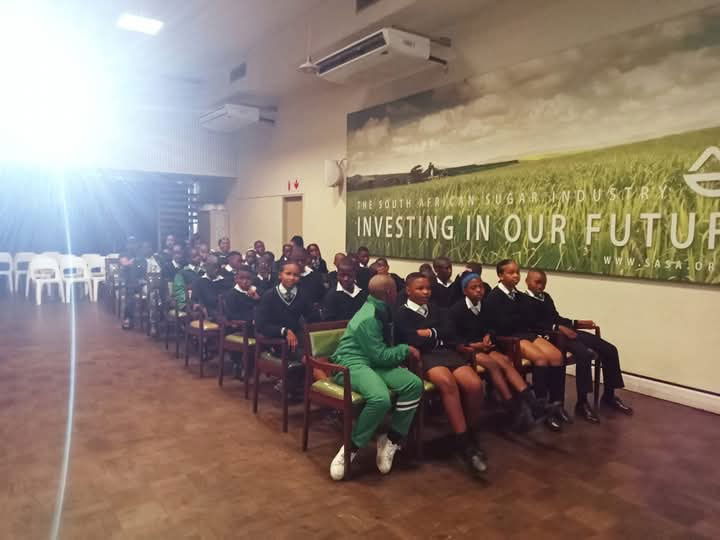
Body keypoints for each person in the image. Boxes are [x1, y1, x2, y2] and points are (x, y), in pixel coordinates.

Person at [328, 274, 424, 481]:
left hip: (372, 361)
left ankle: (390, 440)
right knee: (380, 398)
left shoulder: (383, 308)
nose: (398, 292)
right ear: (389, 293)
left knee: (414, 384)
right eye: (396, 289)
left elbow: (379, 354)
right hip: (352, 362)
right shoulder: (369, 317)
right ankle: (351, 448)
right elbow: (380, 355)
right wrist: (405, 350)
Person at [394, 272, 488, 476]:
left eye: (428, 288)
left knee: (474, 384)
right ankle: (464, 443)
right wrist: (435, 335)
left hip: (446, 352)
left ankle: (471, 432)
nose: (426, 292)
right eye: (420, 288)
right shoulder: (401, 313)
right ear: (408, 290)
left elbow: (449, 331)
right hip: (422, 358)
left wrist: (429, 333)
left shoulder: (436, 308)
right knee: (447, 383)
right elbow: (411, 339)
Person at [524, 269, 633, 421]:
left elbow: (556, 317)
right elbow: (532, 324)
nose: (540, 286)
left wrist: (576, 322)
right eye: (537, 282)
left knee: (609, 349)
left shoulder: (546, 297)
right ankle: (582, 402)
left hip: (564, 331)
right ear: (527, 282)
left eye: (543, 283)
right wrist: (557, 327)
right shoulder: (523, 300)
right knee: (583, 354)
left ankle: (609, 396)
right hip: (552, 337)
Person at [449, 273, 551, 431]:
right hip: (469, 349)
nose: (478, 290)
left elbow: (492, 327)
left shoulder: (486, 306)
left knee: (505, 362)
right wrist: (473, 345)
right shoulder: (457, 310)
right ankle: (512, 407)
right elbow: (453, 337)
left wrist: (488, 336)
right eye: (473, 288)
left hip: (485, 346)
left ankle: (532, 404)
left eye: (480, 286)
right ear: (465, 291)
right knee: (492, 365)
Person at [483, 259, 567, 431]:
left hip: (525, 333)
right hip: (510, 338)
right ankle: (540, 407)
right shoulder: (493, 297)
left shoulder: (520, 296)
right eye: (511, 272)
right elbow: (501, 325)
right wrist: (518, 320)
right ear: (500, 275)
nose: (516, 276)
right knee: (540, 359)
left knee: (557, 356)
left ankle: (556, 403)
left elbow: (529, 320)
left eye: (517, 272)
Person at [255, 260, 318, 399]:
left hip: (298, 338)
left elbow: (312, 316)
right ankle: (327, 392)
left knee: (319, 353)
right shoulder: (269, 295)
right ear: (280, 275)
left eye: (296, 275)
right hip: (277, 340)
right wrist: (284, 330)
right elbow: (261, 325)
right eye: (288, 273)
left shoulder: (302, 294)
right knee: (308, 358)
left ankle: (298, 385)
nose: (292, 278)